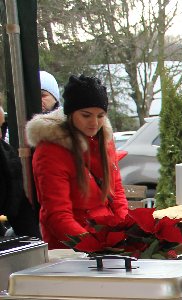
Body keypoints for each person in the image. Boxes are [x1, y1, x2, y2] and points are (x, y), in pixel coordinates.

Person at [25, 74, 128, 249]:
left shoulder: (104, 140)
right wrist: (95, 246)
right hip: (72, 248)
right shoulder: (50, 151)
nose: (94, 123)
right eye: (86, 115)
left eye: (101, 116)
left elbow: (116, 193)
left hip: (107, 239)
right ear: (70, 113)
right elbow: (57, 214)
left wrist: (126, 232)